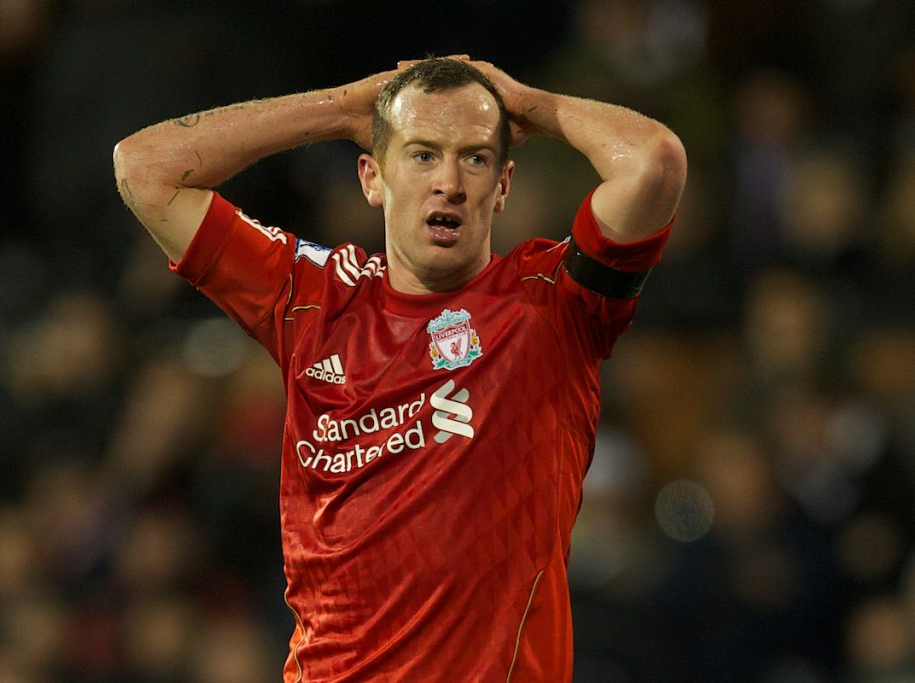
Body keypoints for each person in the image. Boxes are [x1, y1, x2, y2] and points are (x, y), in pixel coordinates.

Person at [113, 55, 687, 682]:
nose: (449, 181)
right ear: (372, 178)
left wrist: (526, 104)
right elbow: (145, 168)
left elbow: (653, 161)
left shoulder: (552, 303)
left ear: (503, 186)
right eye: (421, 154)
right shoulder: (312, 296)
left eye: (474, 157)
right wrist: (342, 107)